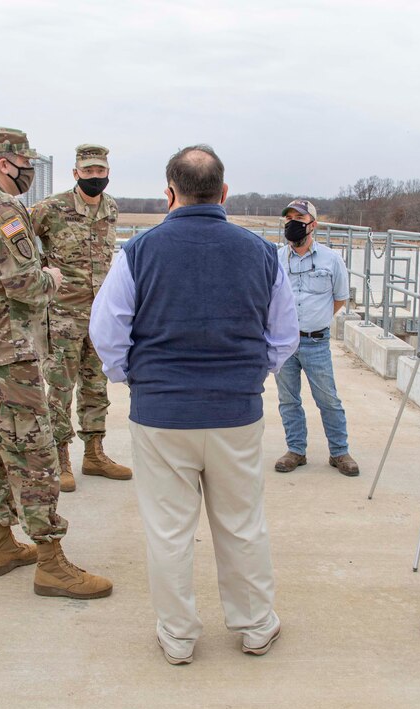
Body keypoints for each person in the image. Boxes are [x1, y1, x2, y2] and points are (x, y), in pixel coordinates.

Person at [90, 145, 299, 665]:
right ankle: (255, 626)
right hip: (235, 414)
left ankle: (178, 636)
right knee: (242, 524)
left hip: (162, 415)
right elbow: (284, 335)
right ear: (224, 193)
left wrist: (136, 378)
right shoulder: (262, 252)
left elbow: (107, 332)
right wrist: (251, 374)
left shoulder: (137, 252)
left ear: (169, 194)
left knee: (168, 531)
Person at [0, 126, 112, 599]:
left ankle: (0, 543)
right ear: (5, 163)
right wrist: (52, 277)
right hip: (9, 351)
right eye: (26, 165)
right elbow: (24, 285)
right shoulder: (2, 209)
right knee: (35, 457)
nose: (30, 173)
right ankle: (51, 562)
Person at [30, 144, 132, 493]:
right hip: (61, 315)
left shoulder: (111, 208)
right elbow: (18, 245)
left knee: (95, 385)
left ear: (107, 173)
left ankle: (94, 453)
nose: (94, 177)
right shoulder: (51, 208)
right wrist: (42, 273)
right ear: (76, 174)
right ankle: (59, 458)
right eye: (87, 172)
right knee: (59, 389)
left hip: (99, 314)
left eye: (99, 171)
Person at [273, 199, 360, 477]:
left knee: (328, 399)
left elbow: (339, 299)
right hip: (285, 343)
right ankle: (296, 450)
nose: (292, 223)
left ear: (313, 224)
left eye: (299, 217)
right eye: (288, 218)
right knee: (288, 400)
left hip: (315, 342)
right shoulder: (276, 258)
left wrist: (315, 320)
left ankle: (339, 452)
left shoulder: (331, 260)